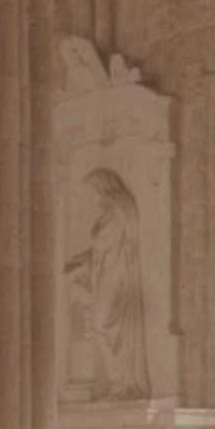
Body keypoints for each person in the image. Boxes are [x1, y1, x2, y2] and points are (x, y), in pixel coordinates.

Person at [65, 168, 151, 400]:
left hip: (117, 272)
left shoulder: (119, 208)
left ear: (102, 187)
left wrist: (85, 258)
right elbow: (100, 246)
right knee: (100, 326)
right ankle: (118, 382)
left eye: (91, 192)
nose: (91, 199)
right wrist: (83, 261)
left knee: (100, 324)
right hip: (109, 270)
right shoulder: (111, 211)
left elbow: (105, 242)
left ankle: (122, 383)